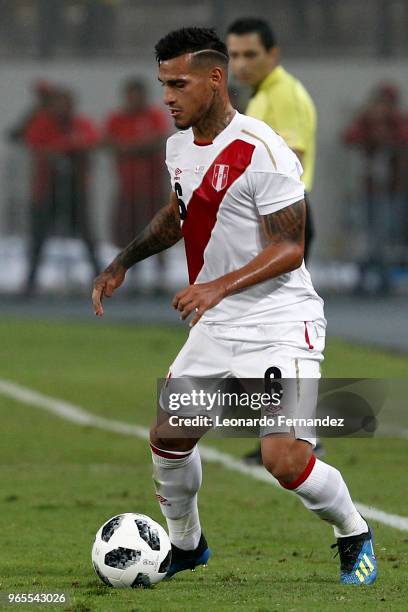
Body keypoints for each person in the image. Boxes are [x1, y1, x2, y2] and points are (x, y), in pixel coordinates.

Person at [92, 27, 377, 585]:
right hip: (218, 323)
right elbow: (180, 215)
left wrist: (218, 285)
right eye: (162, 85)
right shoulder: (179, 146)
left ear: (215, 79)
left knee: (284, 459)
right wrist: (123, 260)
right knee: (168, 440)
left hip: (278, 323)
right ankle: (187, 546)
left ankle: (354, 533)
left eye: (178, 84)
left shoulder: (263, 149)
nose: (167, 97)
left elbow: (290, 248)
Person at [226, 17, 320, 464]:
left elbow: (293, 157)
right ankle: (282, 429)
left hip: (285, 218)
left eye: (250, 54)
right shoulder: (264, 96)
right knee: (258, 330)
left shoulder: (285, 94)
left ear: (273, 54)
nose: (240, 64)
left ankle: (302, 433)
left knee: (276, 329)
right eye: (235, 55)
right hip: (268, 220)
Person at [24, 88, 100, 294]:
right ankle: (30, 282)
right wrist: (67, 147)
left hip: (75, 188)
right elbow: (37, 145)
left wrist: (63, 147)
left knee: (87, 234)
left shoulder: (80, 123)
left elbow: (91, 140)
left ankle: (101, 278)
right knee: (38, 236)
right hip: (47, 188)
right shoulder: (42, 124)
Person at [104, 79, 169, 288]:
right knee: (128, 233)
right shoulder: (117, 118)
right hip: (127, 187)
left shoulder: (154, 116)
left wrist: (129, 148)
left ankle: (160, 276)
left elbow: (159, 139)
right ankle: (132, 276)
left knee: (158, 231)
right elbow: (105, 140)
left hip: (152, 185)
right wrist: (135, 148)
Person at [343, 83, 408, 293]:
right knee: (367, 235)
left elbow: (403, 137)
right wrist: (371, 129)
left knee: (387, 234)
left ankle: (385, 279)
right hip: (369, 189)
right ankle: (364, 278)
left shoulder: (398, 121)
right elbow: (349, 137)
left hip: (392, 189)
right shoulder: (367, 120)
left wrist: (386, 134)